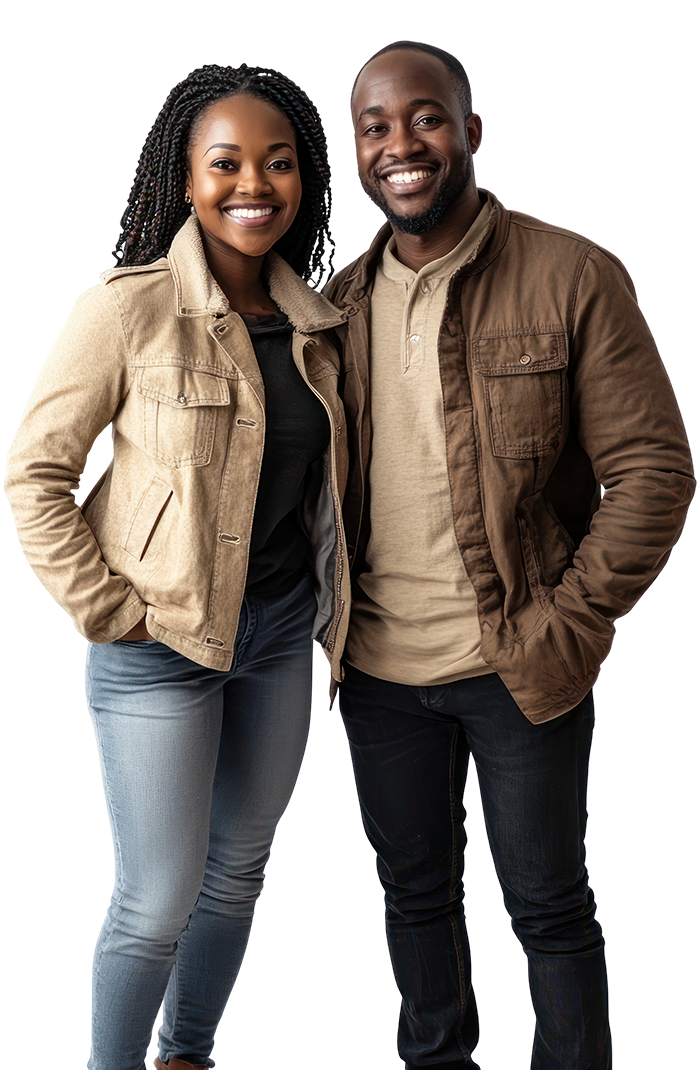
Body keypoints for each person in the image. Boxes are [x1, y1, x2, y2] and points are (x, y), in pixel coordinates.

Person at [323, 42, 695, 1070]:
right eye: (375, 128)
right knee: (413, 901)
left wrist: (565, 621)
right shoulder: (335, 308)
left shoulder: (571, 274)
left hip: (518, 662)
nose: (401, 144)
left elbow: (652, 472)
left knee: (548, 904)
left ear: (471, 132)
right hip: (376, 670)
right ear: (358, 155)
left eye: (426, 118)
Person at [4, 63, 350, 1070]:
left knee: (237, 870)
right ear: (185, 180)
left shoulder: (322, 328)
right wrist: (108, 609)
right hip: (158, 642)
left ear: (303, 181)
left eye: (278, 162)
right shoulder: (126, 311)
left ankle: (185, 1053)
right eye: (228, 162)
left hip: (281, 633)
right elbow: (36, 473)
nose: (256, 183)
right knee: (154, 898)